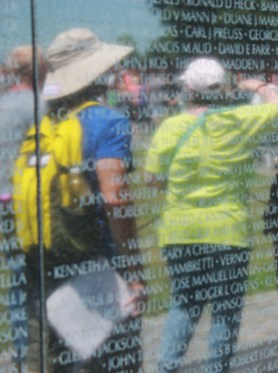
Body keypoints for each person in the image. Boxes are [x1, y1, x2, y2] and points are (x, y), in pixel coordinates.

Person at [13, 29, 144, 372]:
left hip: (48, 259)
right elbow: (115, 198)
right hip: (98, 261)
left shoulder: (44, 123)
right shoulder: (107, 121)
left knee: (58, 360)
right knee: (113, 360)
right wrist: (133, 269)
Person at [144, 57, 278, 373]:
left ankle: (167, 368)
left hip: (181, 230)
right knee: (225, 312)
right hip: (227, 230)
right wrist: (257, 85)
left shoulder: (170, 126)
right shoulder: (239, 120)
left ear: (188, 88)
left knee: (184, 304)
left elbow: (152, 179)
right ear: (220, 89)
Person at [0, 45, 46, 372]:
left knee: (17, 277)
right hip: (30, 200)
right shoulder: (41, 105)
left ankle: (20, 349)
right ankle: (40, 350)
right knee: (42, 276)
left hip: (2, 201)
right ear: (35, 70)